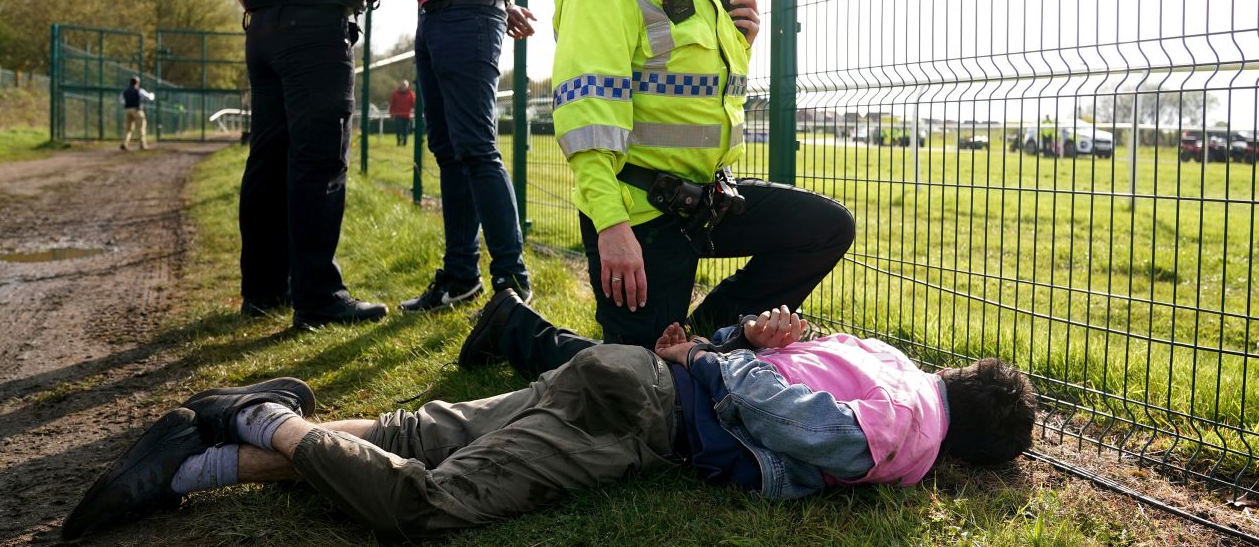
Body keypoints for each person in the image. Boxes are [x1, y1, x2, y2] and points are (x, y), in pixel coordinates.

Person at [62, 289, 1037, 541]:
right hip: (641, 417)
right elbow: (817, 432)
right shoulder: (914, 431)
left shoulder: (885, 356)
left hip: (621, 373)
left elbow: (785, 356)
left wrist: (717, 350)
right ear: (972, 452)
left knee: (418, 431)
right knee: (425, 506)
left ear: (957, 369)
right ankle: (255, 415)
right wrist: (715, 369)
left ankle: (187, 466)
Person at [512, 0, 855, 373]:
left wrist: (743, 42)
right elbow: (587, 119)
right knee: (642, 380)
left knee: (825, 226)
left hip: (707, 202)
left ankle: (703, 337)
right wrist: (610, 227)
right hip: (641, 213)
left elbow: (701, 95)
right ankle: (514, 329)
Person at [227, 0, 415, 329]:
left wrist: (271, 16)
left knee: (268, 160)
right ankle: (318, 297)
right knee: (319, 161)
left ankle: (264, 291)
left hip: (262, 31)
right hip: (313, 33)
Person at [397, 0, 541, 313]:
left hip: (465, 12)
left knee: (477, 149)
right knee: (448, 149)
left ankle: (511, 283)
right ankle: (461, 276)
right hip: (434, 10)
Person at [119, 77, 154, 151]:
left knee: (127, 129)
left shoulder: (125, 91)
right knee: (141, 128)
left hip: (127, 110)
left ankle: (124, 143)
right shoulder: (139, 90)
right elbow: (149, 97)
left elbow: (121, 100)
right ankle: (142, 145)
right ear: (137, 83)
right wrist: (152, 95)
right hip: (137, 110)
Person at [388, 79, 416, 146]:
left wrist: (416, 111)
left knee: (405, 130)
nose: (404, 86)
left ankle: (405, 142)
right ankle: (398, 141)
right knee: (398, 128)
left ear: (407, 86)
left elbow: (413, 104)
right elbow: (392, 103)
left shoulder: (411, 94)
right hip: (398, 115)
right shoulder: (395, 93)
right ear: (401, 85)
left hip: (407, 115)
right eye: (403, 85)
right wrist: (391, 112)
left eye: (405, 85)